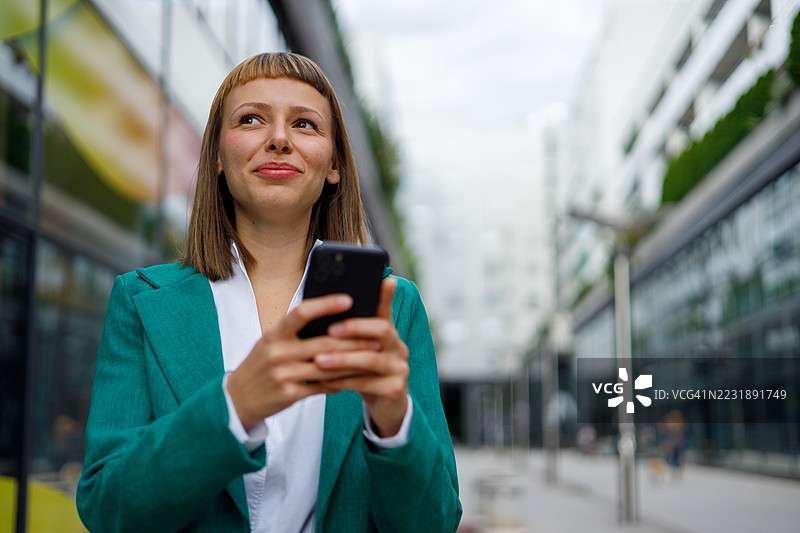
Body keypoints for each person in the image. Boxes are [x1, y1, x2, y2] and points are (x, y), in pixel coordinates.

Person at [77, 51, 462, 533]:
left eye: (304, 124)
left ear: (334, 165)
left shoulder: (393, 306)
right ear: (217, 157)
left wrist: (393, 422)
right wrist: (235, 406)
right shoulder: (140, 301)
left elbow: (435, 524)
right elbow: (108, 511)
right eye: (252, 118)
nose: (278, 139)